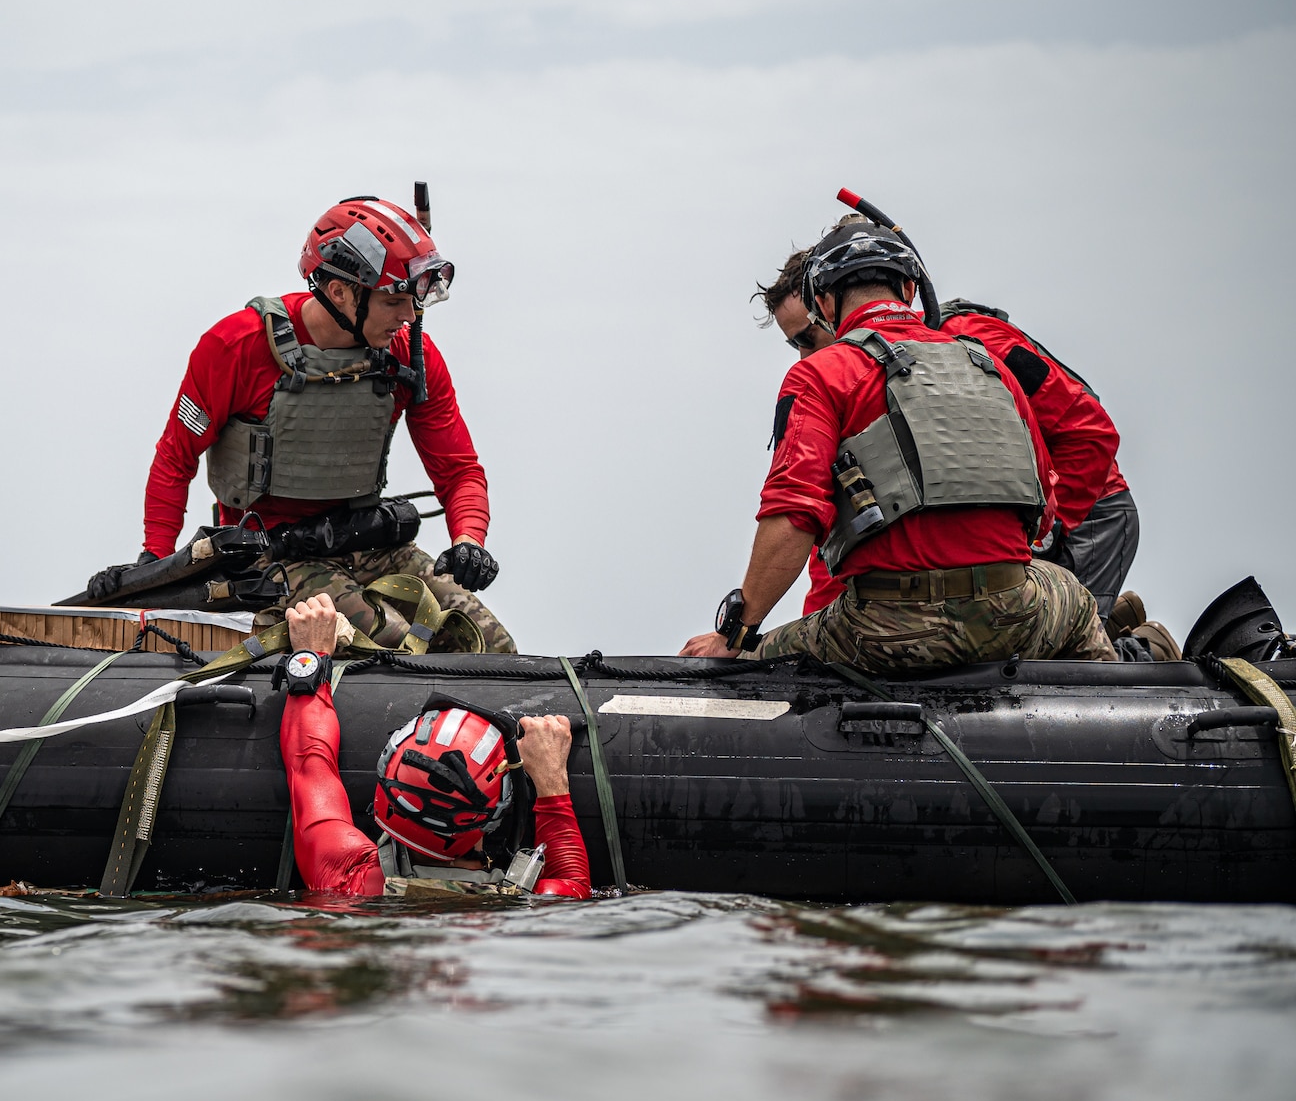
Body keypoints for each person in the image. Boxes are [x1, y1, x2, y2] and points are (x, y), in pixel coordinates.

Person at [680, 217, 1115, 672]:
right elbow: (1042, 511)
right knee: (1078, 605)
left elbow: (795, 512)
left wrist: (738, 634)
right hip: (1014, 611)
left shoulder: (817, 376)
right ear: (909, 289)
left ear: (824, 303)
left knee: (757, 657)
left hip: (888, 631)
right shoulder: (990, 364)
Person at [756, 230, 1176, 658]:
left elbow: (1089, 434)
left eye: (808, 338)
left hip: (1087, 511)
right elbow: (847, 535)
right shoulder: (843, 376)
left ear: (826, 305)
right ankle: (1114, 624)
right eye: (793, 344)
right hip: (1006, 525)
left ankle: (1144, 655)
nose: (803, 357)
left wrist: (1019, 545)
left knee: (1040, 663)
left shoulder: (974, 345)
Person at [139, 196, 516, 653]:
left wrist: (468, 540)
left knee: (491, 646)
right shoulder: (235, 346)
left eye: (413, 302)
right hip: (273, 557)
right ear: (340, 292)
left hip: (372, 543)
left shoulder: (409, 355)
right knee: (405, 648)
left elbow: (459, 473)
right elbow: (175, 457)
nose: (410, 317)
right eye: (394, 301)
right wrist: (156, 563)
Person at [279, 593, 589, 897]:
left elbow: (310, 764)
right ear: (493, 817)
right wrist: (552, 783)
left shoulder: (341, 877)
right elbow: (574, 884)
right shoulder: (520, 903)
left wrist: (311, 658)